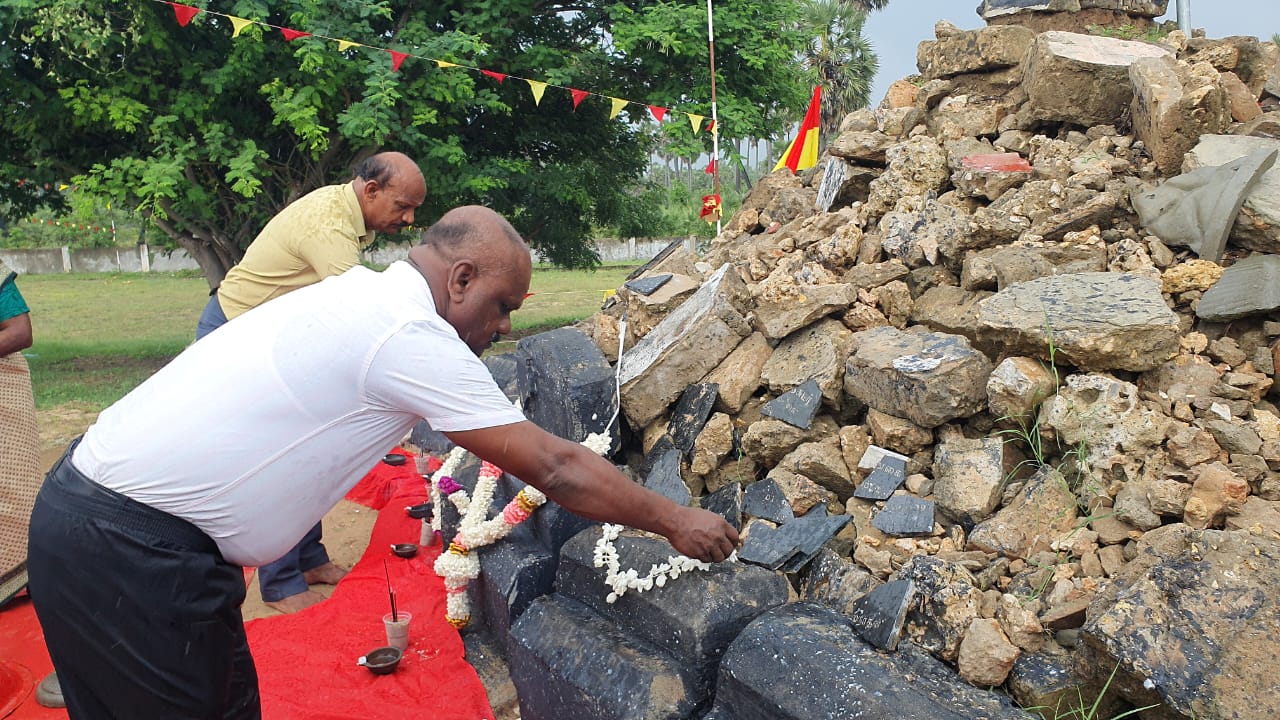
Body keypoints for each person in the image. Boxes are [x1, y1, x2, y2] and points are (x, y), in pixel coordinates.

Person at [27, 205, 739, 718]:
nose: (506, 328)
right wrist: (675, 518)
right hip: (126, 548)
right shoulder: (407, 332)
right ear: (460, 278)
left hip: (116, 530)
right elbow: (553, 466)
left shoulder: (369, 296)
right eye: (502, 306)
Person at [196, 151, 428, 614]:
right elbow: (361, 312)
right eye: (403, 205)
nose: (408, 217)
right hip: (236, 334)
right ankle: (280, 582)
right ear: (371, 191)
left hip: (271, 339)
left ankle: (309, 561)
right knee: (282, 458)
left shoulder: (343, 215)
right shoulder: (328, 225)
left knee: (311, 450)